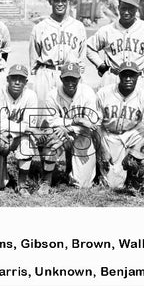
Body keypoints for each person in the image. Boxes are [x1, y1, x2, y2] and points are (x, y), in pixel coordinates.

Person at [96, 61, 144, 194]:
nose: (128, 78)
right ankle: (111, 172)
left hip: (133, 133)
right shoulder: (103, 93)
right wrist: (102, 149)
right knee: (114, 185)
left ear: (138, 76)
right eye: (125, 75)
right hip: (110, 135)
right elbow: (96, 125)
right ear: (118, 75)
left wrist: (137, 147)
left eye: (132, 75)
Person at [40, 62, 102, 191]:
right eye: (67, 78)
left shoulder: (88, 93)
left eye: (73, 79)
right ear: (61, 78)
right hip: (61, 133)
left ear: (79, 78)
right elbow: (51, 121)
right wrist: (75, 120)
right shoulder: (53, 94)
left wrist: (69, 128)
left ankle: (80, 168)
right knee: (51, 137)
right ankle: (46, 181)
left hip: (82, 135)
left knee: (82, 185)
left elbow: (91, 124)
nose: (70, 82)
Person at [0, 64, 39, 195]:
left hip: (16, 136)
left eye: (21, 79)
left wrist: (13, 131)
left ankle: (22, 184)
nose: (17, 82)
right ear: (7, 79)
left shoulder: (31, 95)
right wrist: (24, 128)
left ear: (26, 82)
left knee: (27, 142)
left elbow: (30, 123)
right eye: (14, 78)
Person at [29, 0, 87, 106]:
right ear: (51, 2)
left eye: (63, 0)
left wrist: (78, 77)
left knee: (70, 113)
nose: (60, 3)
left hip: (70, 76)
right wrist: (38, 78)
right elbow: (33, 60)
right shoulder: (39, 27)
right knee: (43, 114)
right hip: (46, 75)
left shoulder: (78, 27)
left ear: (68, 1)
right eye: (56, 0)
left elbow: (81, 59)